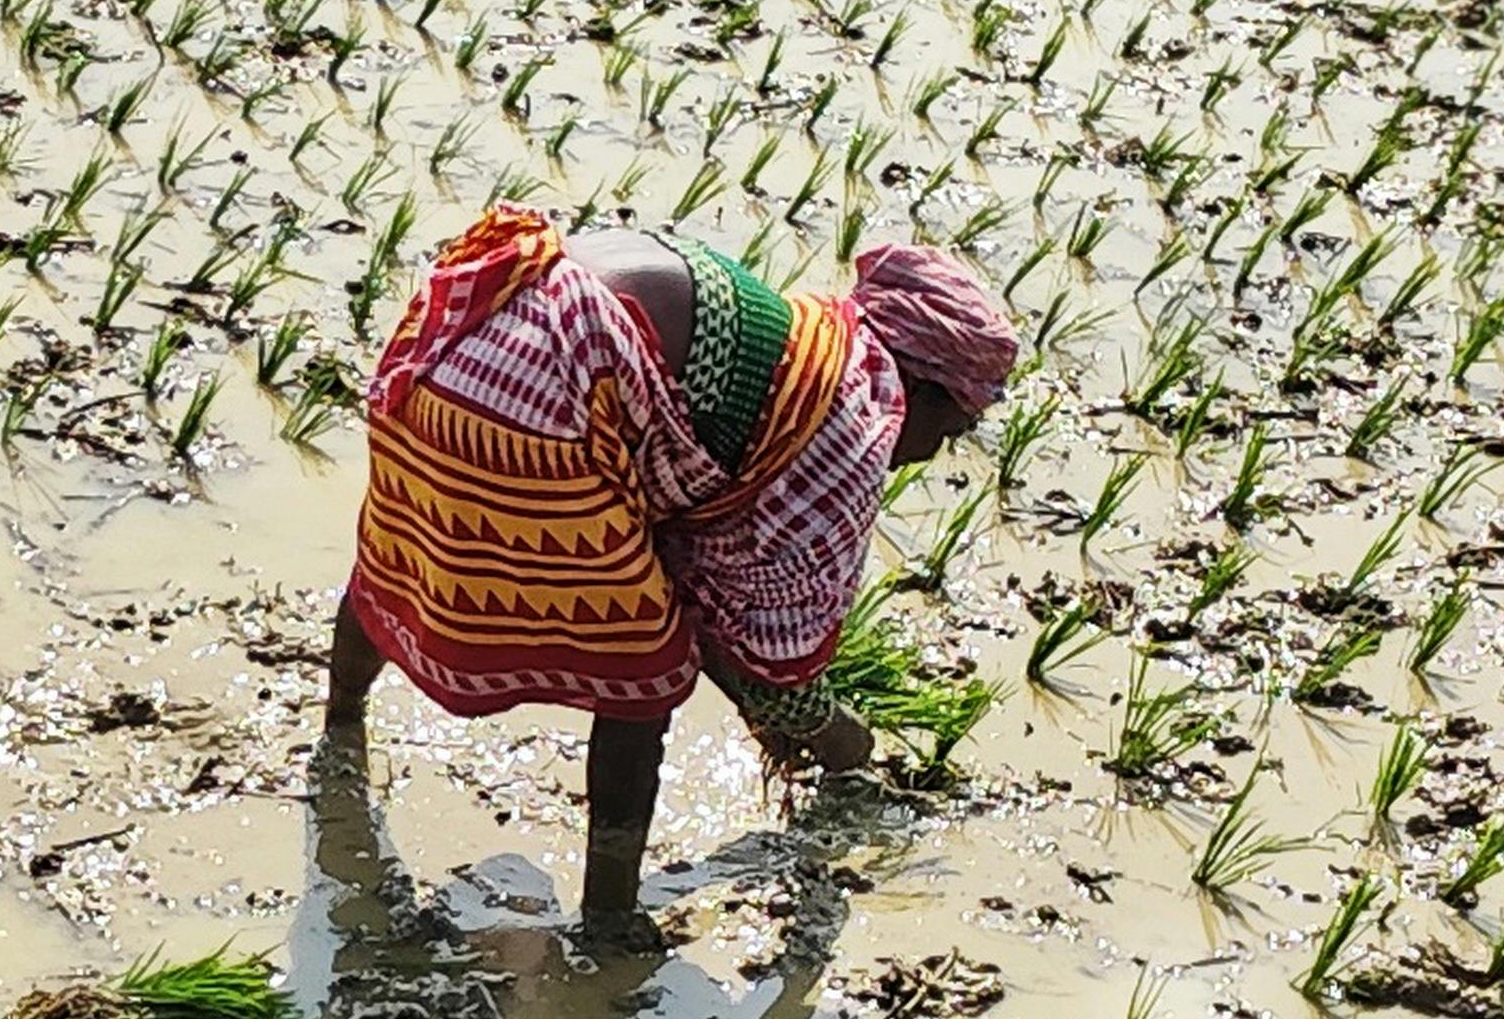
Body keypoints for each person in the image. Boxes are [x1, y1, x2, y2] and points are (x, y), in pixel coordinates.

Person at [318, 203, 1020, 933]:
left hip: (459, 332)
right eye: (953, 426)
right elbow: (749, 636)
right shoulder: (843, 412)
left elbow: (690, 579)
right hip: (543, 396)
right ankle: (610, 916)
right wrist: (838, 739)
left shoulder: (801, 339)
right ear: (924, 384)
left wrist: (773, 708)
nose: (936, 451)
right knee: (639, 669)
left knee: (395, 553)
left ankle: (338, 732)